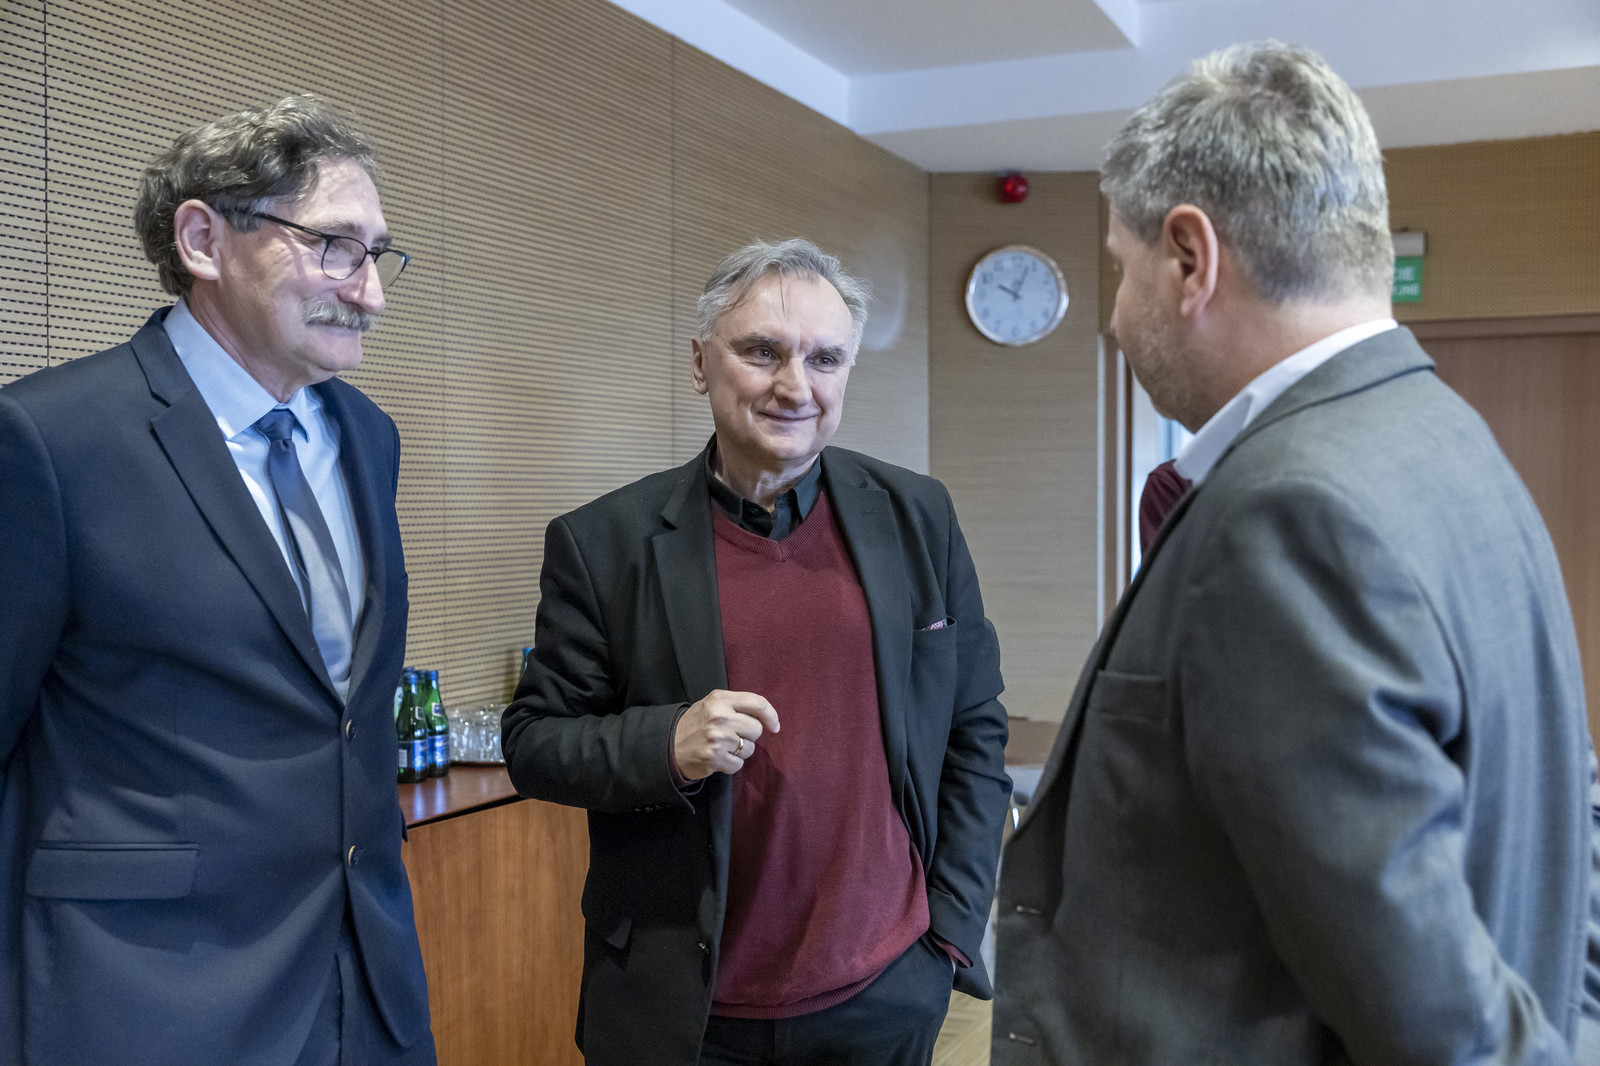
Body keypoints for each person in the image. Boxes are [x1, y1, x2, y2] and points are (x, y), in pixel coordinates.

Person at [993, 41, 1591, 1066]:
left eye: (1119, 269)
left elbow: (1431, 1015)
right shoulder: (1452, 439)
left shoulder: (1286, 514)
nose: (1116, 317)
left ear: (1190, 258)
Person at [0, 95, 434, 1065]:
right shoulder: (51, 439)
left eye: (378, 255)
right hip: (149, 1000)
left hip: (367, 988)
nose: (371, 293)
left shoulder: (369, 436)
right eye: (336, 248)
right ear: (205, 240)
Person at [503, 238, 1010, 1066]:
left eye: (824, 359)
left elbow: (974, 729)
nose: (794, 386)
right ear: (700, 363)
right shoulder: (604, 543)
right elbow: (533, 745)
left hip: (885, 992)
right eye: (762, 352)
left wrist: (948, 931)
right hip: (686, 1013)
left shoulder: (918, 517)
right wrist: (665, 745)